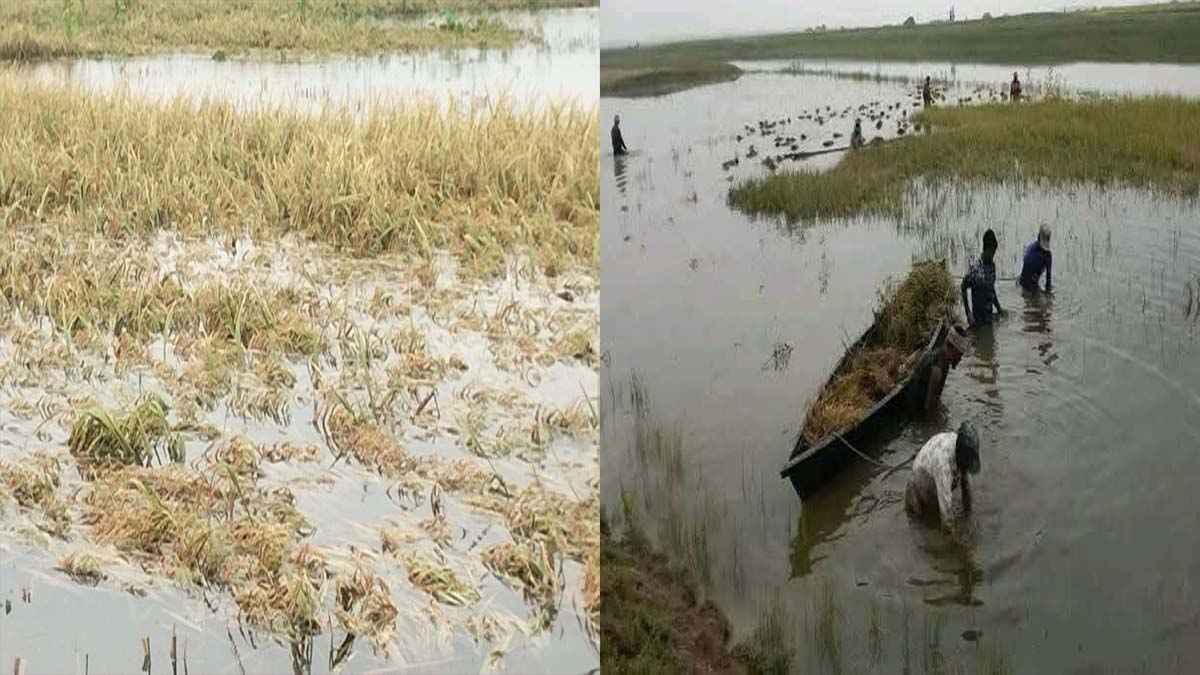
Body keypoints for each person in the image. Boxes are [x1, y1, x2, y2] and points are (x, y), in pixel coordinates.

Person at [905, 421, 982, 527]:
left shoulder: (963, 445)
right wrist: (955, 541)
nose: (965, 469)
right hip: (918, 488)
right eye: (964, 466)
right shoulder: (943, 463)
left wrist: (969, 516)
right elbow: (946, 517)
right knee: (921, 523)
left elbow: (967, 487)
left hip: (933, 473)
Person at [906, 323, 970, 414]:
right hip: (916, 411)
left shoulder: (941, 356)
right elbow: (928, 409)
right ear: (954, 349)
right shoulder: (937, 370)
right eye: (960, 355)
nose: (960, 359)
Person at [962, 229, 1004, 328]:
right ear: (987, 249)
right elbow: (963, 287)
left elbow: (992, 290)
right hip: (977, 321)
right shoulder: (975, 268)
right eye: (993, 252)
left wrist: (999, 309)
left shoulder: (992, 266)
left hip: (989, 317)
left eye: (995, 252)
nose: (993, 255)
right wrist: (968, 313)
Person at [1019, 224, 1053, 293]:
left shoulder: (1048, 256)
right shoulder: (1031, 255)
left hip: (1029, 282)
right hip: (1026, 283)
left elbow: (1048, 280)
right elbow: (1026, 278)